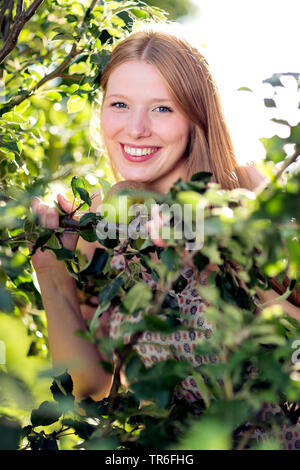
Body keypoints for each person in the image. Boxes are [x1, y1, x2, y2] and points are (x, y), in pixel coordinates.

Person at [31, 28, 300, 448]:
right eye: (119, 105)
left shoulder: (252, 191)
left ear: (196, 115)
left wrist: (234, 260)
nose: (135, 129)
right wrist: (51, 271)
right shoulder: (102, 222)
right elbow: (91, 386)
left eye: (162, 108)